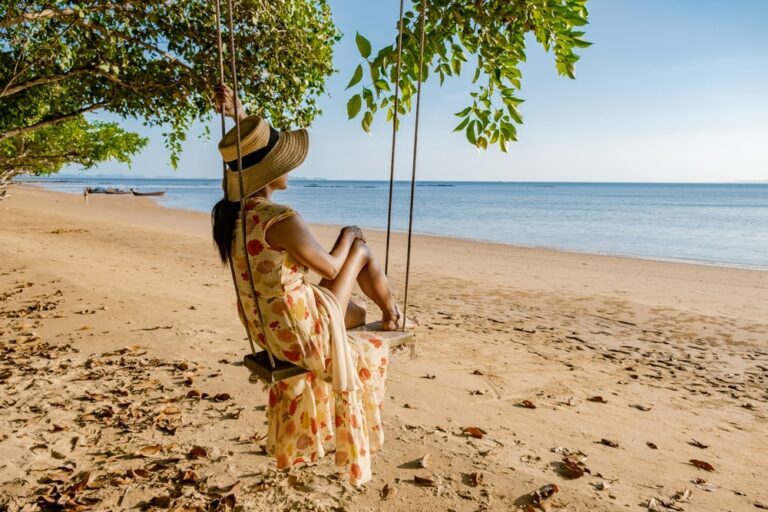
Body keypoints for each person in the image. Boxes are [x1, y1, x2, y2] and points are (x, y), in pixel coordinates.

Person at [212, 84, 407, 486]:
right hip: (300, 331)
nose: (290, 166)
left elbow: (251, 154)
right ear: (269, 171)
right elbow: (334, 268)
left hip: (270, 327)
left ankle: (379, 314)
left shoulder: (233, 213)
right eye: (283, 160)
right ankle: (395, 315)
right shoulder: (280, 218)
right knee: (361, 248)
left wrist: (238, 114)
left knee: (355, 314)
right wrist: (347, 233)